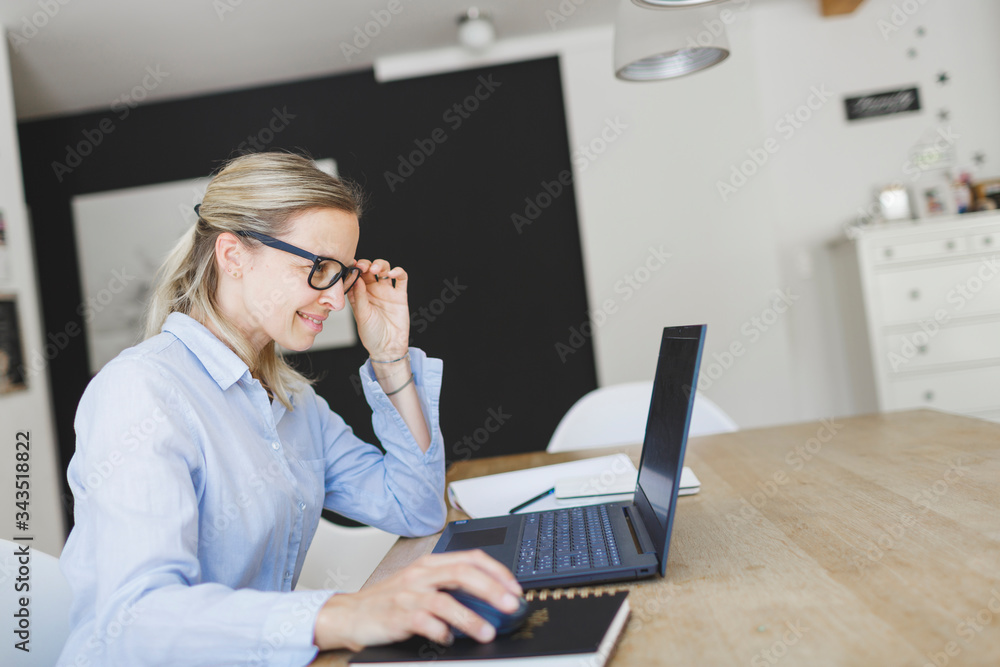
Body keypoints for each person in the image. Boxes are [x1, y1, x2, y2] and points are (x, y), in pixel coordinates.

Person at [57, 152, 522, 666]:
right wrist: (346, 615)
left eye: (343, 273)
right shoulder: (140, 390)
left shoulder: (293, 401)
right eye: (318, 268)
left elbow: (416, 507)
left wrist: (390, 359)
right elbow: (138, 619)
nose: (338, 299)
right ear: (233, 255)